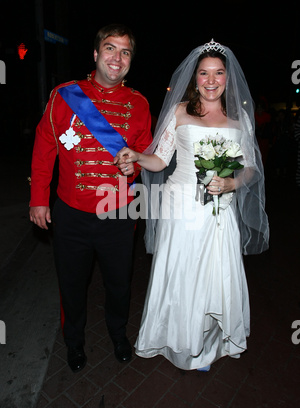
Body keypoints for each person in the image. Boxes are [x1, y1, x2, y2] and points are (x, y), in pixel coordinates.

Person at [114, 40, 269, 371]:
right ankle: (179, 340)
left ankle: (206, 343)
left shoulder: (240, 117)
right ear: (194, 77)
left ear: (228, 78)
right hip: (181, 207)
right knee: (182, 277)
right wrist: (139, 157)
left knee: (215, 278)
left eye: (218, 73)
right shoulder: (179, 111)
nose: (211, 81)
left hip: (220, 213)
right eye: (204, 73)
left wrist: (232, 182)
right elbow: (160, 160)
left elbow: (251, 166)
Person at [29, 24, 152, 372]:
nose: (118, 58)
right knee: (72, 284)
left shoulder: (139, 104)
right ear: (96, 55)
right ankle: (75, 342)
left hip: (118, 212)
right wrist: (39, 198)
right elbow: (44, 149)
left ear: (130, 61)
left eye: (125, 52)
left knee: (118, 283)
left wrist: (135, 168)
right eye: (111, 49)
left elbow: (144, 151)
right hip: (71, 213)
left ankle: (118, 334)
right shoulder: (66, 95)